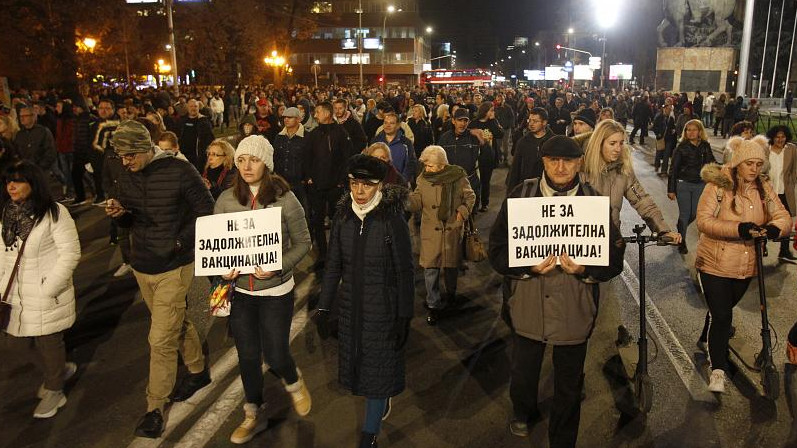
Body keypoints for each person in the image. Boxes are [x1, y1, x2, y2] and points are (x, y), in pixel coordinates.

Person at [488, 135, 625, 447]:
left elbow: (614, 261)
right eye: (553, 160)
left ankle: (562, 440)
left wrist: (586, 269)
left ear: (579, 163)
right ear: (544, 162)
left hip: (574, 312)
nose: (561, 167)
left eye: (568, 161)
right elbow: (496, 250)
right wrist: (527, 267)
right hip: (526, 308)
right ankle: (523, 410)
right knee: (523, 375)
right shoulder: (520, 196)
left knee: (569, 385)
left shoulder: (593, 202)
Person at [105, 120, 214, 438]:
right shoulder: (127, 172)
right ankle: (197, 369)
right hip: (143, 264)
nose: (125, 163)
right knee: (174, 324)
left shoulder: (181, 170)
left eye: (129, 156)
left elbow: (206, 209)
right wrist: (119, 213)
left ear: (145, 148)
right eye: (121, 157)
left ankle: (154, 407)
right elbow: (131, 216)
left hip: (173, 266)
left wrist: (180, 241)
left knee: (160, 339)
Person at [214, 135, 312, 444]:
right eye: (241, 159)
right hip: (242, 292)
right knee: (247, 355)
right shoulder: (226, 199)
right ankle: (252, 411)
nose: (246, 166)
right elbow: (218, 245)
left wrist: (279, 266)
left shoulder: (285, 198)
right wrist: (223, 267)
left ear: (266, 164)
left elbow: (303, 242)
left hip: (276, 291)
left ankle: (294, 381)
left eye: (253, 160)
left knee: (276, 352)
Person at [315, 154, 414, 448]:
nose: (359, 191)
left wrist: (404, 315)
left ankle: (368, 436)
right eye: (354, 183)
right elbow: (333, 265)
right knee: (360, 366)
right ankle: (379, 403)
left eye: (366, 185)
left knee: (377, 371)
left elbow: (405, 270)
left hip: (383, 308)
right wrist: (323, 306)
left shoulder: (391, 219)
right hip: (351, 307)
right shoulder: (343, 217)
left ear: (379, 186)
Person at [695, 137, 791, 393]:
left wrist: (773, 229)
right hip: (714, 261)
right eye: (749, 163)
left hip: (746, 265)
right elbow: (703, 221)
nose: (754, 169)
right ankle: (717, 370)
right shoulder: (718, 185)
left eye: (759, 164)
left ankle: (710, 332)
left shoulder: (763, 187)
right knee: (723, 315)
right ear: (738, 162)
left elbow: (783, 215)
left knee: (722, 310)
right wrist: (739, 228)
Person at [0, 161, 80, 419]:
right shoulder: (8, 214)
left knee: (49, 342)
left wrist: (50, 287)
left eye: (18, 181)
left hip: (46, 291)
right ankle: (57, 369)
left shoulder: (54, 213)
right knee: (16, 345)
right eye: (8, 181)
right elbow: (3, 254)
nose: (11, 186)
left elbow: (70, 253)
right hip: (15, 293)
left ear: (33, 184)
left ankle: (56, 389)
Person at [408, 145, 475, 325]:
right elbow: (417, 200)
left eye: (430, 166)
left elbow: (470, 197)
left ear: (442, 165)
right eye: (426, 165)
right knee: (431, 270)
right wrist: (406, 199)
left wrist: (462, 212)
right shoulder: (423, 178)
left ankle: (451, 295)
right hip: (431, 231)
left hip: (452, 229)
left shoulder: (458, 177)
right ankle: (433, 304)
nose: (426, 169)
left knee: (451, 267)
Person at [583, 120, 681, 243]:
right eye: (612, 143)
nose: (618, 149)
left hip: (611, 241)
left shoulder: (623, 170)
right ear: (599, 144)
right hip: (583, 242)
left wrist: (662, 230)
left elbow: (642, 200)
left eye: (621, 143)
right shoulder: (580, 168)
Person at [303, 101, 354, 271]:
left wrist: (341, 181)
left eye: (317, 111)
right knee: (317, 221)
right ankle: (323, 256)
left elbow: (347, 158)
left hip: (335, 187)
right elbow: (307, 157)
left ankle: (338, 255)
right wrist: (309, 177)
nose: (315, 115)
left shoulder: (341, 133)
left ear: (326, 113)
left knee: (337, 221)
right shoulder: (313, 134)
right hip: (316, 186)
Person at [668, 119, 717, 254]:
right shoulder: (681, 148)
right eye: (688, 130)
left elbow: (712, 163)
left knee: (695, 213)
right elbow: (673, 169)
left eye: (694, 129)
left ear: (700, 131)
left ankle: (680, 227)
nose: (691, 132)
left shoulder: (705, 146)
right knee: (685, 214)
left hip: (700, 184)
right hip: (683, 184)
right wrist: (671, 189)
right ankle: (682, 241)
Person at [436, 108, 486, 211]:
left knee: (470, 213)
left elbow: (488, 159)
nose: (462, 124)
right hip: (450, 182)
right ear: (453, 121)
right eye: (460, 120)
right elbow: (438, 160)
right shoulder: (445, 138)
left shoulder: (474, 137)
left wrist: (482, 141)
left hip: (470, 181)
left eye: (465, 121)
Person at [765, 125, 797, 261]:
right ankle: (762, 246)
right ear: (772, 137)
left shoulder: (791, 149)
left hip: (785, 191)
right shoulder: (765, 149)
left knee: (786, 221)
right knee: (764, 219)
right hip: (768, 191)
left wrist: (792, 181)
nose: (780, 139)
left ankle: (784, 250)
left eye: (783, 137)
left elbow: (795, 168)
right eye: (777, 137)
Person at [507, 107, 554, 191]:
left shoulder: (553, 142)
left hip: (548, 189)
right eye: (529, 120)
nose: (531, 124)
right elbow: (515, 169)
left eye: (535, 121)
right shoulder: (522, 142)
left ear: (544, 122)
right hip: (526, 188)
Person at [468, 102, 504, 212]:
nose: (493, 112)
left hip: (488, 156)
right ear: (485, 111)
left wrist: (493, 120)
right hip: (475, 156)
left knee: (485, 181)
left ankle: (484, 203)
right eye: (491, 110)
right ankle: (475, 203)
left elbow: (500, 134)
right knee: (475, 181)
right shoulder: (474, 123)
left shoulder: (492, 122)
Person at [272, 107, 308, 211]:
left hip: (299, 183)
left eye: (290, 117)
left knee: (302, 210)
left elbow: (309, 159)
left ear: (298, 119)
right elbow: (275, 157)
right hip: (281, 181)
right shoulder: (279, 137)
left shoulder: (307, 137)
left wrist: (306, 178)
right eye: (285, 117)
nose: (286, 119)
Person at [371, 112, 416, 185]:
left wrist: (403, 180)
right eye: (385, 123)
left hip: (398, 184)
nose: (387, 125)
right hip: (377, 183)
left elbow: (411, 163)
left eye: (391, 123)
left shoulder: (406, 143)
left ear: (398, 125)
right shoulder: (375, 141)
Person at [177, 99, 214, 173]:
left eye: (195, 106)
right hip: (183, 156)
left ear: (198, 108)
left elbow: (210, 140)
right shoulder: (182, 120)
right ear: (187, 107)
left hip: (198, 157)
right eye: (191, 106)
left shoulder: (204, 122)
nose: (193, 108)